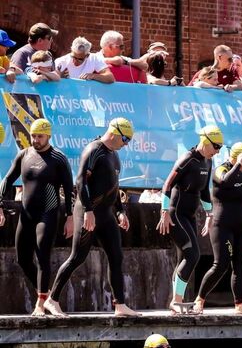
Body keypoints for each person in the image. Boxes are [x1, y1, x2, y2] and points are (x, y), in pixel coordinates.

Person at [45, 118, 138, 318]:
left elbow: (114, 185)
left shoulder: (114, 155)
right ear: (113, 133)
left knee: (116, 256)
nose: (126, 143)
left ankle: (120, 305)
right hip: (87, 211)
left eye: (129, 140)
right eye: (125, 138)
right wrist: (88, 210)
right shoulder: (94, 150)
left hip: (106, 214)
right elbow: (80, 181)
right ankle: (51, 300)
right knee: (77, 257)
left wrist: (120, 210)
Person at [0, 118, 74, 315]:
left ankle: (40, 304)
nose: (35, 140)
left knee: (42, 256)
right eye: (33, 136)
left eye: (39, 136)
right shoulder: (24, 154)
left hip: (47, 213)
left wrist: (70, 216)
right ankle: (46, 294)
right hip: (27, 214)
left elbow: (68, 189)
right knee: (23, 258)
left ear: (48, 135)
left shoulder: (58, 158)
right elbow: (7, 179)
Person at [193, 142, 242, 315]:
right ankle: (200, 299)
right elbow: (225, 181)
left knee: (240, 266)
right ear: (234, 157)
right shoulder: (222, 169)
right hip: (222, 226)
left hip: (241, 227)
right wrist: (236, 166)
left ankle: (240, 305)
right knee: (221, 264)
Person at [157, 125, 223, 313]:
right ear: (205, 141)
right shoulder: (188, 159)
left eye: (220, 148)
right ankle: (176, 301)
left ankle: (175, 302)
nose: (217, 151)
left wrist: (209, 214)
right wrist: (164, 211)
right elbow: (168, 184)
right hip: (175, 214)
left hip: (190, 215)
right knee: (193, 255)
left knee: (183, 259)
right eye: (216, 146)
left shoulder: (208, 162)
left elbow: (203, 191)